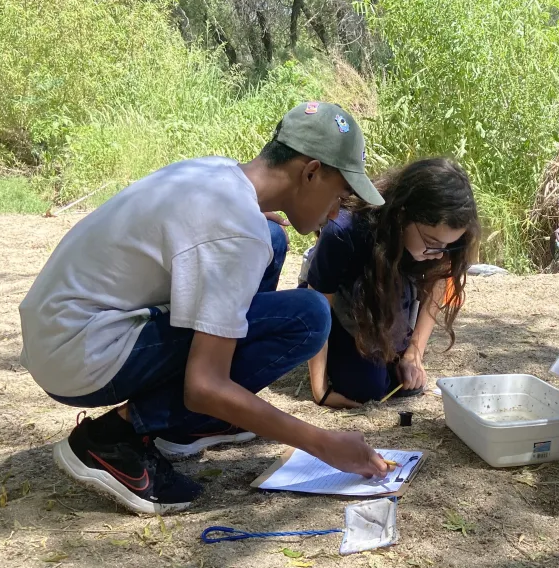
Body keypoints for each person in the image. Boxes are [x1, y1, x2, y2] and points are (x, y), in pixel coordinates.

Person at [19, 101, 390, 515]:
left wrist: (249, 229)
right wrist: (323, 443)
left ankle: (195, 423)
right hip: (79, 354)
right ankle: (112, 438)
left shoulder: (216, 173)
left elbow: (221, 227)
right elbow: (204, 385)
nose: (336, 211)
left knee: (272, 236)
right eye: (339, 194)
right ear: (310, 171)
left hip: (57, 330)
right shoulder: (236, 230)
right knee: (308, 317)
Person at [303, 157, 480, 407]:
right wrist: (320, 390)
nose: (439, 254)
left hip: (386, 292)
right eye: (431, 243)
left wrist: (414, 353)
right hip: (340, 298)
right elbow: (317, 302)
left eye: (447, 246)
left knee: (396, 376)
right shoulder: (346, 230)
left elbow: (439, 281)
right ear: (402, 215)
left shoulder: (437, 245)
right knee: (366, 388)